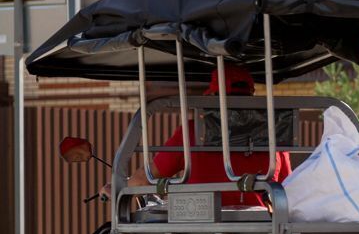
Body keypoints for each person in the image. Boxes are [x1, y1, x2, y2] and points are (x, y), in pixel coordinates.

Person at [110, 64, 292, 208]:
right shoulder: (274, 135)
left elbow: (143, 181)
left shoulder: (194, 132)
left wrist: (117, 187)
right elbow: (290, 190)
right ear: (251, 96)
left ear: (212, 97)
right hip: (264, 231)